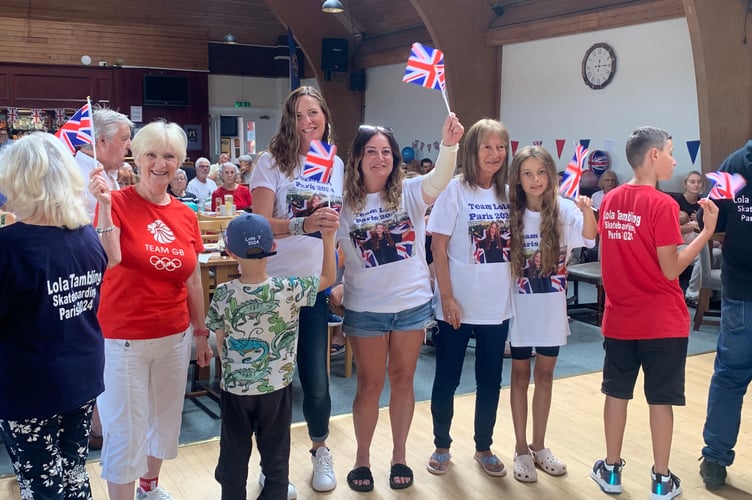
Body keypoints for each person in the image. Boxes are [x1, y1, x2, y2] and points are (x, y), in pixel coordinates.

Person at [590, 126, 718, 499]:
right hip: (662, 321)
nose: (676, 160)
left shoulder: (610, 199)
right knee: (660, 400)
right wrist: (705, 233)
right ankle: (661, 480)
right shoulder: (663, 205)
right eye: (671, 152)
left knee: (617, 395)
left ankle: (611, 471)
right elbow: (671, 267)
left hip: (620, 320)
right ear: (653, 156)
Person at [89, 120, 213, 500]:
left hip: (174, 336)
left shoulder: (186, 214)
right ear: (137, 158)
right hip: (123, 338)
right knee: (125, 429)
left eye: (170, 156)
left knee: (163, 420)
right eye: (152, 155)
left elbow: (192, 278)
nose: (161, 163)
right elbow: (110, 261)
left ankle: (149, 487)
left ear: (181, 163)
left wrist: (200, 331)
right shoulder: (117, 203)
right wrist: (105, 209)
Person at [338, 114, 464, 492]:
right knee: (369, 386)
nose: (380, 158)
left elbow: (440, 179)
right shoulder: (343, 203)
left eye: (387, 152)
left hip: (410, 305)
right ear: (358, 157)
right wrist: (331, 287)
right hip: (365, 309)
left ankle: (399, 455)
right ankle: (362, 458)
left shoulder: (410, 192)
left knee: (403, 381)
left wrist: (449, 144)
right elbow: (326, 248)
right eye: (372, 152)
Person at [0, 133, 107, 499]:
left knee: (42, 485)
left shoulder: (10, 246)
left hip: (31, 384)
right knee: (73, 474)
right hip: (82, 373)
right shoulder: (86, 236)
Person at [250, 86, 344, 493]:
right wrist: (300, 225)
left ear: (324, 115)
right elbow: (256, 225)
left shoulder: (335, 164)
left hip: (316, 288)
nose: (309, 120)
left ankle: (320, 449)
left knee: (317, 381)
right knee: (274, 383)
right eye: (300, 114)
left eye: (314, 112)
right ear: (289, 120)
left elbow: (337, 228)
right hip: (273, 288)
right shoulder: (270, 163)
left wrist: (339, 276)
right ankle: (273, 464)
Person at [208, 213, 337, 500]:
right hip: (276, 392)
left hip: (236, 391)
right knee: (276, 462)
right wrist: (328, 240)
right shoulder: (289, 289)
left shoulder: (224, 294)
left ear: (230, 252)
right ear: (274, 248)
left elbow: (219, 343)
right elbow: (328, 277)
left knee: (233, 461)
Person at [425, 118, 512, 479]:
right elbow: (438, 247)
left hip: (496, 306)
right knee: (447, 378)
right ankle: (441, 444)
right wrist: (447, 297)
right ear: (472, 150)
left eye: (501, 147)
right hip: (457, 304)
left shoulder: (509, 193)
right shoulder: (454, 190)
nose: (494, 154)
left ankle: (483, 446)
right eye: (487, 147)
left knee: (490, 379)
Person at [506, 145, 596, 483]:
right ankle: (519, 448)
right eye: (527, 173)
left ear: (551, 176)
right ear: (518, 177)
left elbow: (588, 236)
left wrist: (588, 209)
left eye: (541, 172)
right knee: (518, 377)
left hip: (551, 308)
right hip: (519, 309)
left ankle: (539, 445)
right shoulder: (509, 211)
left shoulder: (564, 209)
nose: (535, 179)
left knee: (544, 376)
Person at [699, 139, 752, 491]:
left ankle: (715, 459)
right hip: (742, 292)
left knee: (730, 377)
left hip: (741, 289)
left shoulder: (735, 163)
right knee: (730, 375)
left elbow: (712, 224)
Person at [75, 108, 134, 221]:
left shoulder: (112, 172)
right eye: (124, 139)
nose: (129, 146)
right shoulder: (74, 179)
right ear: (102, 140)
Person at [669, 170, 707, 304]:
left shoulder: (704, 202)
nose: (696, 185)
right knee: (704, 258)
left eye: (699, 182)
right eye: (692, 182)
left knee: (718, 253)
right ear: (685, 184)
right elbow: (670, 230)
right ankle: (692, 295)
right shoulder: (675, 202)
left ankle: (710, 295)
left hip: (699, 240)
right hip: (678, 244)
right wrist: (693, 225)